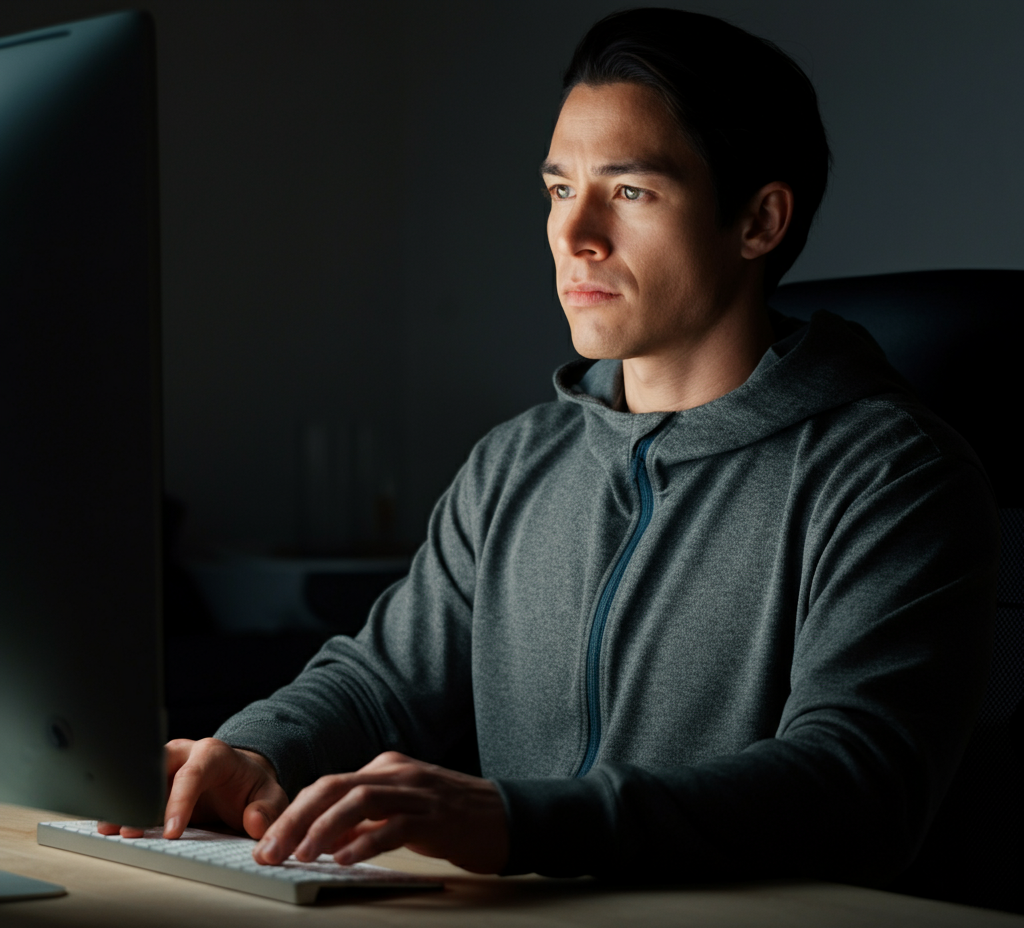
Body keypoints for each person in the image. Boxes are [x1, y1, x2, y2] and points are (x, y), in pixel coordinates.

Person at [102, 8, 999, 883]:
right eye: (560, 190)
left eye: (631, 191)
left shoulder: (894, 477)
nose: (572, 236)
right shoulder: (515, 463)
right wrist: (253, 750)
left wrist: (518, 822)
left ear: (759, 222)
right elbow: (380, 681)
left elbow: (859, 786)